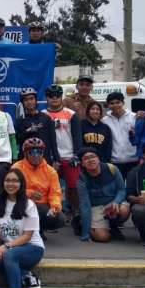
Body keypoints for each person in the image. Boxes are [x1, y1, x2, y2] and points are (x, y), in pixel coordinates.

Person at [0, 168, 45, 288]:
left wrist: (5, 246)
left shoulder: (29, 205)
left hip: (32, 248)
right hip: (10, 248)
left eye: (15, 181)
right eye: (7, 180)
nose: (10, 184)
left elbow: (27, 236)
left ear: (21, 184)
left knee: (9, 255)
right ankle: (26, 276)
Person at [44, 84, 82, 222]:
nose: (54, 99)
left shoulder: (71, 114)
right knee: (50, 188)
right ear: (46, 98)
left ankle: (75, 213)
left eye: (57, 96)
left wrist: (77, 155)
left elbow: (77, 136)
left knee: (73, 187)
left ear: (61, 97)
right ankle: (52, 215)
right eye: (51, 96)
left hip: (69, 156)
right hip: (51, 158)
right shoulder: (43, 115)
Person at [77, 147, 129, 243]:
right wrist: (85, 234)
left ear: (98, 158)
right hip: (96, 207)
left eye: (93, 156)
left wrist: (116, 202)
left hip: (113, 203)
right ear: (82, 164)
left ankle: (113, 227)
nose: (90, 160)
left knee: (124, 210)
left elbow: (122, 190)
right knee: (102, 237)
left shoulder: (112, 169)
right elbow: (85, 206)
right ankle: (83, 225)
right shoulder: (81, 178)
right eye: (86, 158)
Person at [11, 138, 64, 232]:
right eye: (31, 152)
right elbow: (12, 189)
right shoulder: (17, 168)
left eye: (39, 152)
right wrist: (29, 193)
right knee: (31, 207)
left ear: (43, 153)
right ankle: (25, 230)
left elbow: (55, 193)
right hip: (22, 203)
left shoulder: (51, 171)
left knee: (60, 218)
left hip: (43, 205)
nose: (36, 155)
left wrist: (55, 207)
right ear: (25, 154)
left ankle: (39, 229)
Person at [14, 87, 60, 165]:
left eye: (31, 99)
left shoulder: (46, 118)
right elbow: (17, 140)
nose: (29, 102)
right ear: (22, 103)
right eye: (26, 100)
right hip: (26, 161)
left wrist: (56, 160)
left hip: (44, 160)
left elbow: (53, 140)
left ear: (36, 101)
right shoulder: (19, 121)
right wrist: (27, 131)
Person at [103, 92, 138, 177]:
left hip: (134, 160)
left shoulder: (134, 117)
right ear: (108, 105)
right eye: (112, 103)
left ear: (123, 103)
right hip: (114, 162)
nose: (115, 105)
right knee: (118, 188)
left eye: (118, 102)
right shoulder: (104, 121)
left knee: (132, 188)